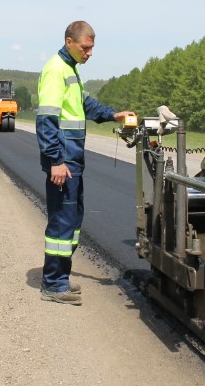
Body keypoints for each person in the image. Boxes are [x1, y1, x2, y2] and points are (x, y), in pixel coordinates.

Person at [36, 20, 135, 305]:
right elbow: (46, 120)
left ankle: (60, 277)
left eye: (92, 48)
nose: (89, 53)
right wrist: (55, 161)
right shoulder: (56, 70)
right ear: (69, 42)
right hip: (63, 161)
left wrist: (112, 114)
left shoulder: (71, 70)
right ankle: (53, 284)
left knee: (73, 218)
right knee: (62, 221)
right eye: (85, 47)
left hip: (72, 160)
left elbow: (85, 105)